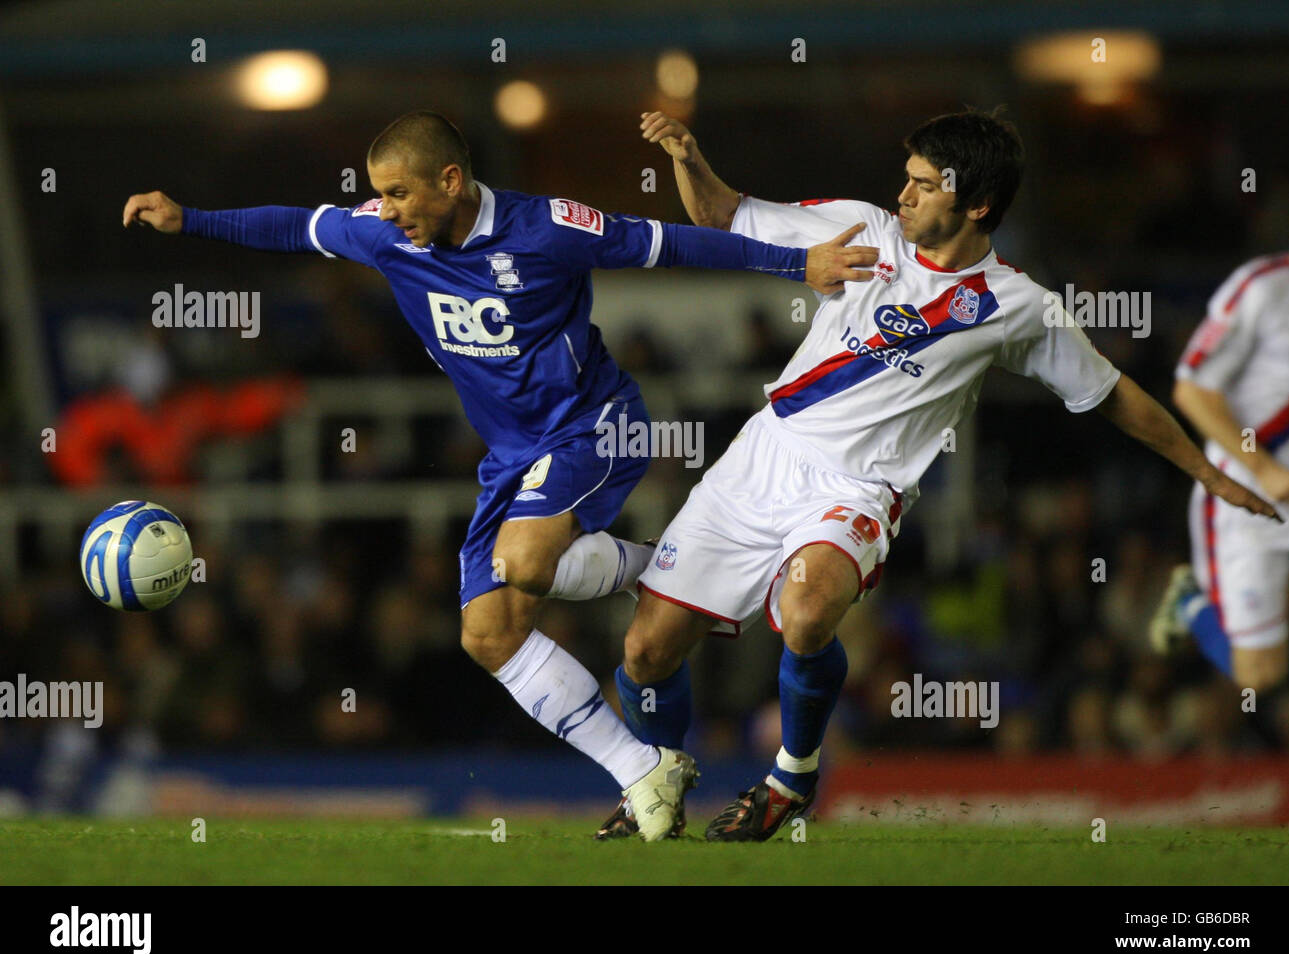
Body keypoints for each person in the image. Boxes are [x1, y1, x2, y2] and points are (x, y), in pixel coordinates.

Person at [122, 110, 877, 841]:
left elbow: (667, 243)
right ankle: (643, 769)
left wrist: (796, 263)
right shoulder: (386, 237)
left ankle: (686, 579)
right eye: (379, 193)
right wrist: (190, 219)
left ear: (450, 180)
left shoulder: (546, 228)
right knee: (486, 635)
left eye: (399, 193)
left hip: (595, 426)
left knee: (521, 562)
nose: (385, 210)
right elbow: (293, 225)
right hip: (513, 456)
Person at [591, 108, 1280, 842]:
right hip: (764, 457)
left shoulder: (1017, 305)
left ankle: (790, 776)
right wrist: (687, 158)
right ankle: (659, 773)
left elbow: (1111, 395)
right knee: (644, 651)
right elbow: (726, 213)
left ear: (976, 204)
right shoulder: (862, 229)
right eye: (908, 178)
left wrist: (1208, 471)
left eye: (924, 184)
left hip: (856, 490)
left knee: (806, 611)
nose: (905, 195)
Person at [1150, 212, 1289, 695]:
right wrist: (1263, 467)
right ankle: (1193, 603)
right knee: (1261, 675)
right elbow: (1193, 390)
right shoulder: (1263, 289)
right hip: (1248, 495)